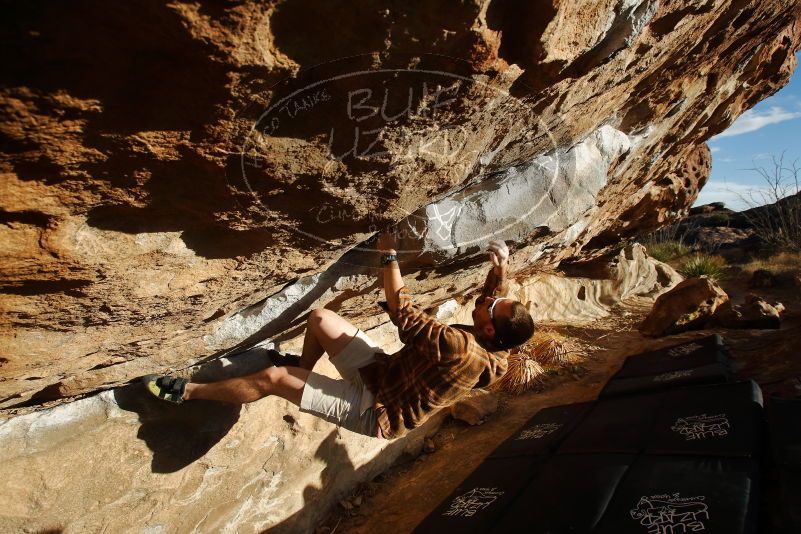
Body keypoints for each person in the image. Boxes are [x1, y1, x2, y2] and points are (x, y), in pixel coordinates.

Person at [143, 233, 536, 439]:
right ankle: (302, 369)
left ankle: (187, 393)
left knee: (273, 380)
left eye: (490, 307)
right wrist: (500, 270)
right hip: (383, 375)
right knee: (320, 319)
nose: (486, 301)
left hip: (376, 412)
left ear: (486, 330)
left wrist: (389, 254)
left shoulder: (461, 349)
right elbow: (494, 303)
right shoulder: (496, 341)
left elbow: (402, 309)